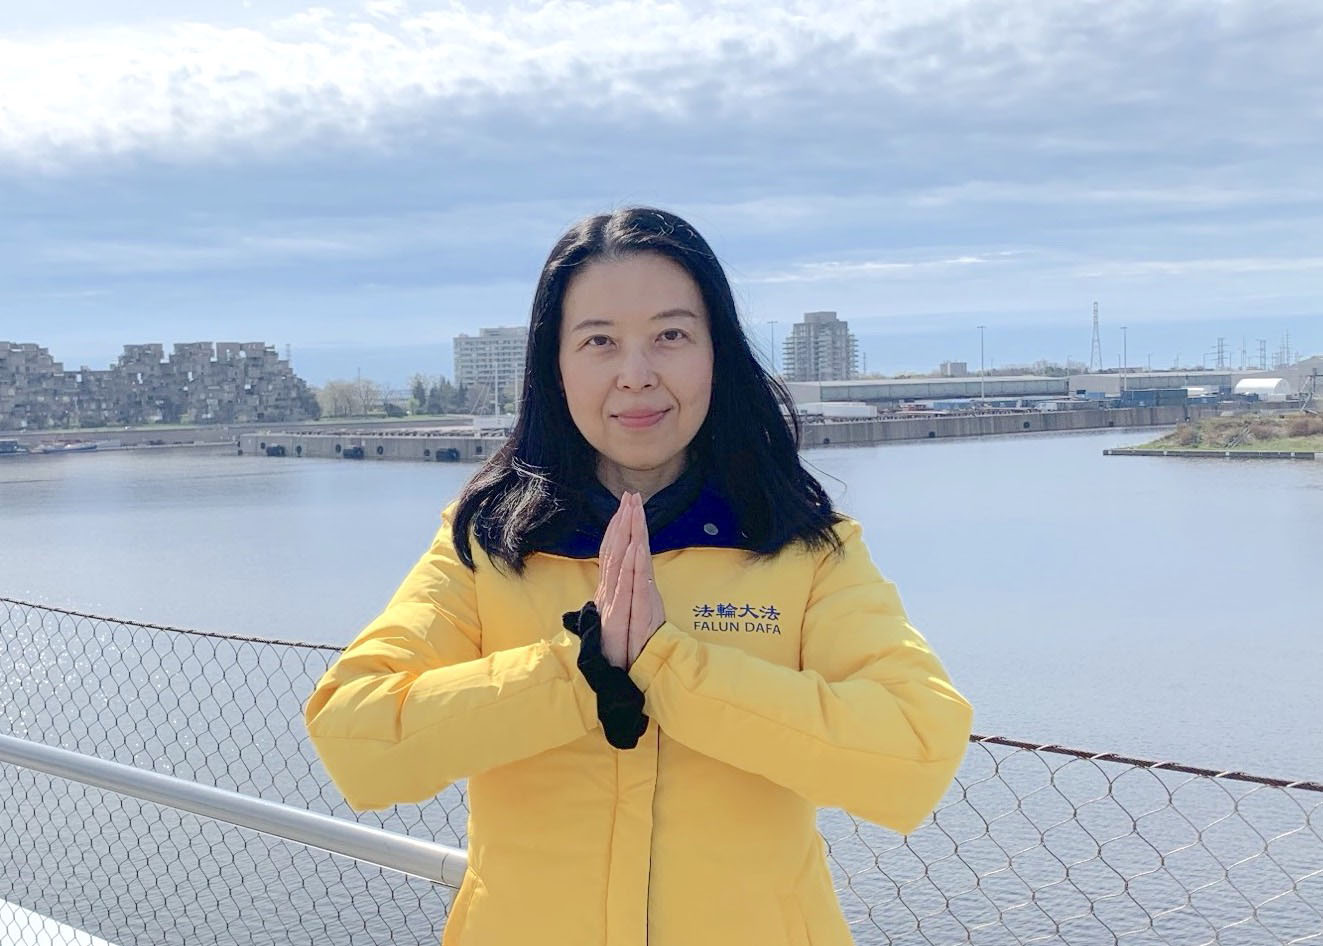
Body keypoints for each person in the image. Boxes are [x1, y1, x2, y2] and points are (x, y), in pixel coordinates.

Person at [304, 207, 973, 946]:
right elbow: (355, 740)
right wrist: (576, 674)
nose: (636, 375)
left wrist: (669, 666)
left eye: (670, 336)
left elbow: (916, 751)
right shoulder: (491, 543)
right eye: (599, 341)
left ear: (716, 352)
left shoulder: (802, 546)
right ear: (554, 366)